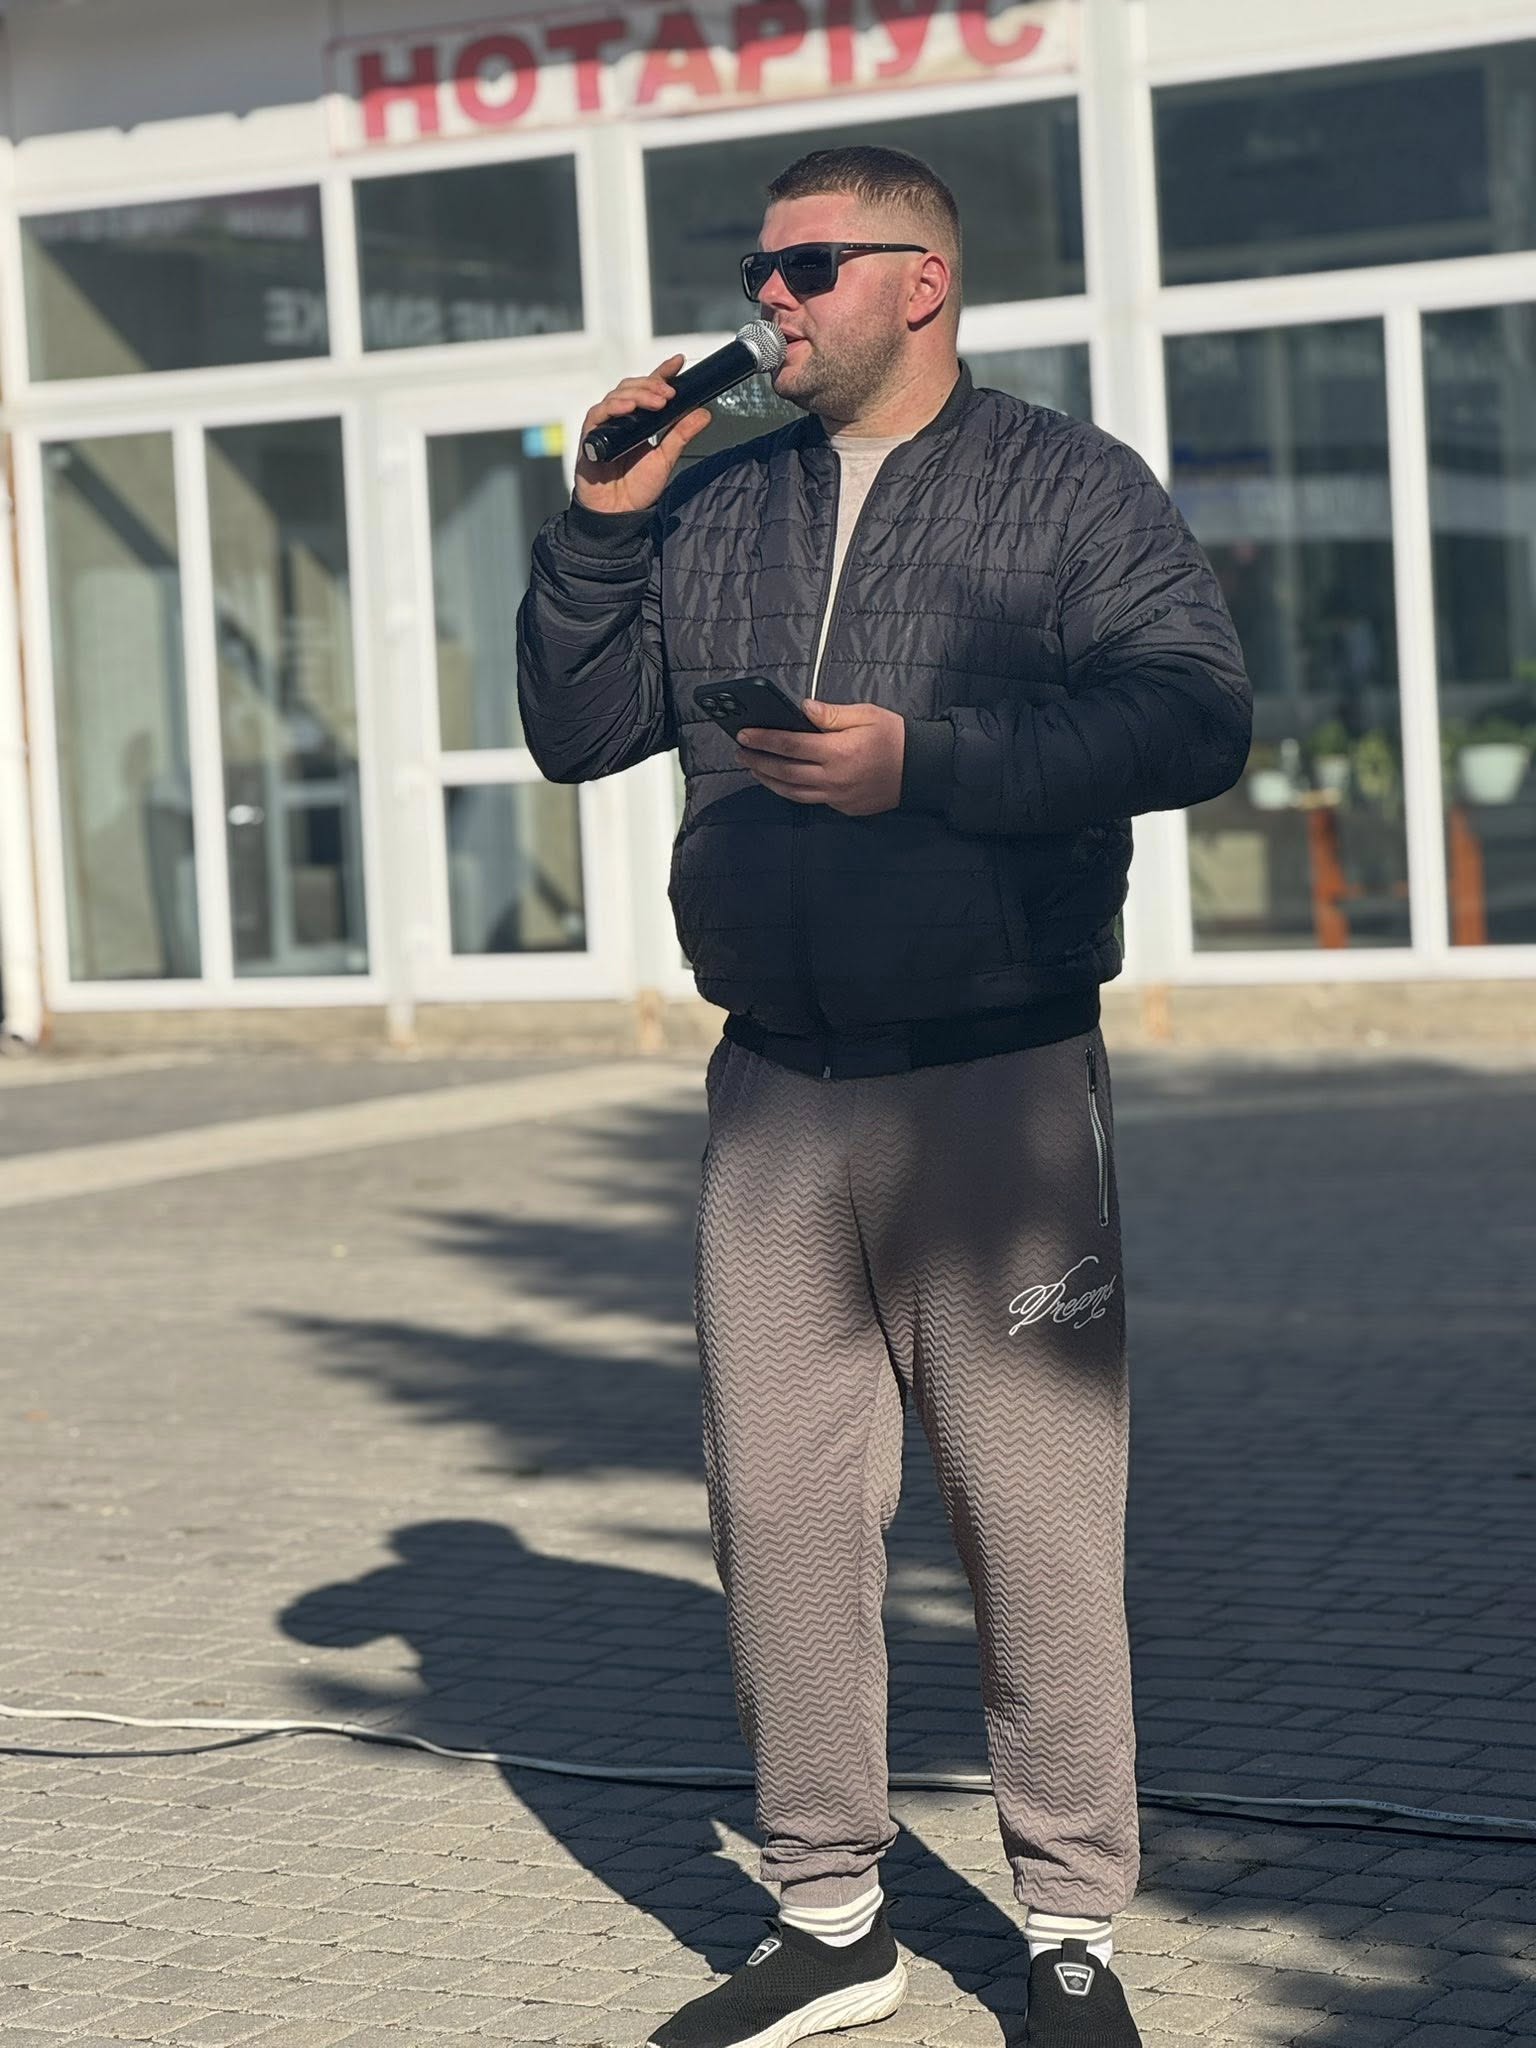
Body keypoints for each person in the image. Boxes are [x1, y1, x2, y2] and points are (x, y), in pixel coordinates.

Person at [516, 144, 1252, 2048]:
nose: (768, 298)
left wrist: (929, 763)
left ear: (921, 280)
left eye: (808, 265)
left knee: (1033, 1523)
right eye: (758, 269)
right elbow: (576, 733)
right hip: (775, 1090)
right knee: (777, 1516)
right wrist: (600, 524)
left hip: (996, 1086)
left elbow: (1194, 717)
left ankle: (1069, 1928)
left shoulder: (1070, 486)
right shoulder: (717, 501)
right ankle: (832, 1919)